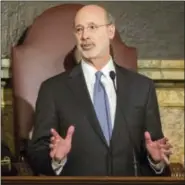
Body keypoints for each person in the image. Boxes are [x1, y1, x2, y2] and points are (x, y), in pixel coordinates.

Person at [28, 4, 172, 176]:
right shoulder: (53, 90)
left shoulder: (142, 88)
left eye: (92, 27)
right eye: (79, 29)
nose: (85, 36)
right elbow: (37, 153)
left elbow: (155, 148)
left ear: (110, 31)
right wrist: (56, 159)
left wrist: (155, 161)